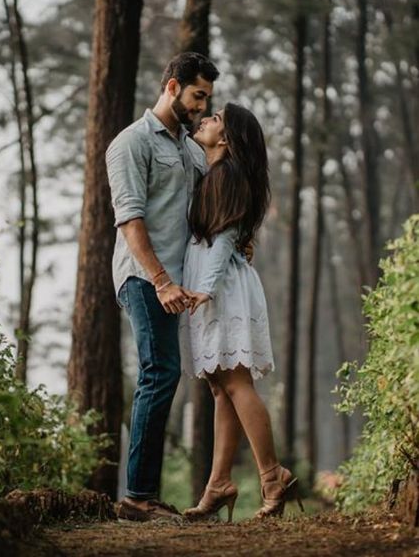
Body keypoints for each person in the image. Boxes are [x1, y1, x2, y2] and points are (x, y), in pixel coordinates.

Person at [105, 52, 219, 522]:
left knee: (166, 373)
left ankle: (144, 494)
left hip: (179, 281)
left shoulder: (191, 150)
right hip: (143, 277)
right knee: (159, 372)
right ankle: (137, 498)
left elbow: (203, 210)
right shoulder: (130, 143)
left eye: (207, 97)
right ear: (172, 87)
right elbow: (130, 221)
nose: (202, 105)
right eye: (197, 95)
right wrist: (161, 281)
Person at [179, 103, 304, 521]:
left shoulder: (227, 175)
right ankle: (219, 483)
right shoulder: (215, 173)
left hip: (221, 289)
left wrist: (204, 289)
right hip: (215, 287)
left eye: (214, 119)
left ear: (227, 138)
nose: (206, 120)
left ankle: (272, 475)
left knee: (235, 383)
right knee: (221, 387)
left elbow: (226, 237)